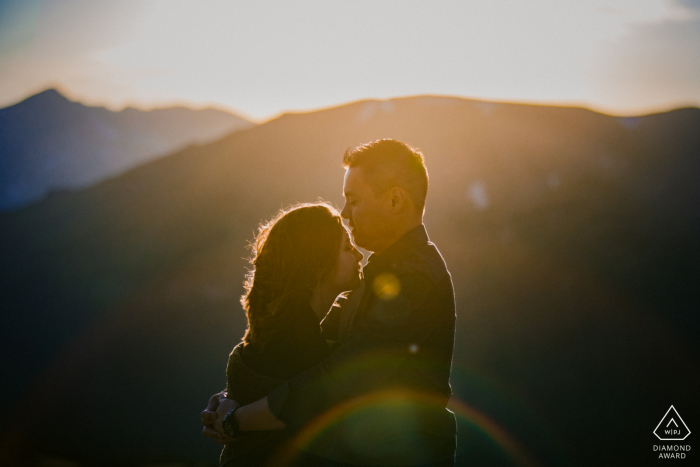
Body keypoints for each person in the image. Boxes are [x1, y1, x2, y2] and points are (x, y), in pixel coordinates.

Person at [202, 139, 457, 467]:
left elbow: (341, 378)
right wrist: (236, 394)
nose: (346, 214)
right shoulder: (381, 274)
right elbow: (310, 352)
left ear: (395, 200)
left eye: (353, 201)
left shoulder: (412, 279)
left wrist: (239, 419)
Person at [210, 203, 363, 466]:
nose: (359, 255)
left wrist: (229, 406)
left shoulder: (282, 334)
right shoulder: (296, 345)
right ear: (319, 262)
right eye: (347, 248)